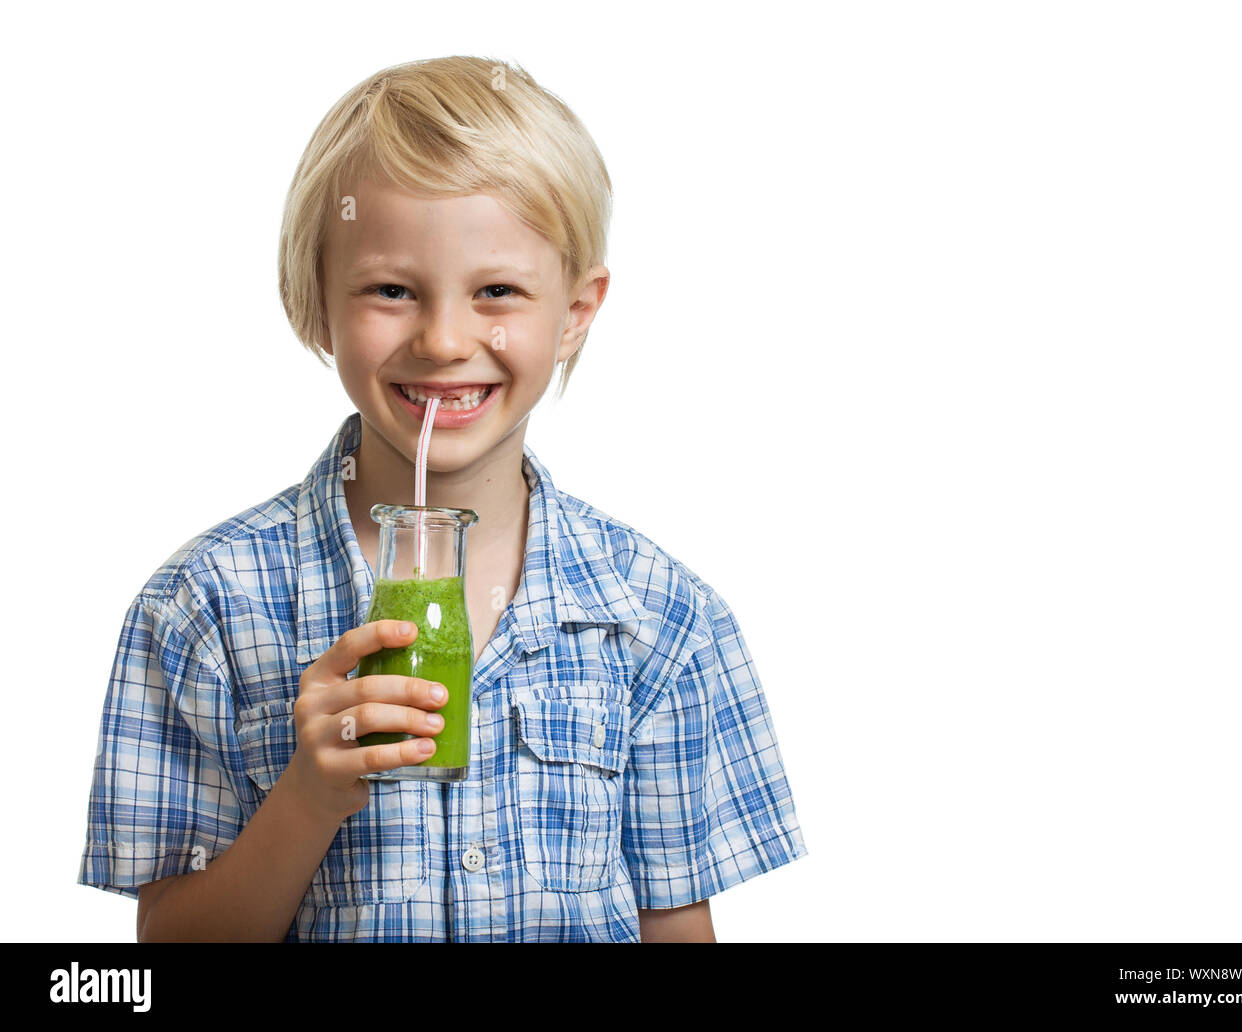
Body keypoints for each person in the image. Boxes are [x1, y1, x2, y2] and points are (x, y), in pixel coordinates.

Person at [77, 55, 807, 942]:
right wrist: (305, 800)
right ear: (316, 302)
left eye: (497, 291)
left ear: (575, 310)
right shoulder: (205, 608)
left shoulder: (661, 619)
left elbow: (675, 929)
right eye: (391, 290)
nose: (446, 338)